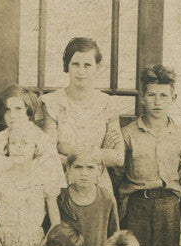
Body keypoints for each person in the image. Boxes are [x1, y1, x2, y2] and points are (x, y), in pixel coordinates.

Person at [120, 65, 181, 246]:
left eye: (163, 95)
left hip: (168, 206)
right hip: (137, 205)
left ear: (173, 97)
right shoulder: (129, 133)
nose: (157, 101)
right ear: (142, 97)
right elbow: (119, 172)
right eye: (151, 95)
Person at [41, 37, 126, 194]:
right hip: (61, 183)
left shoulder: (108, 104)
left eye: (87, 65)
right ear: (67, 66)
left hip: (98, 185)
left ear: (97, 67)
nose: (81, 71)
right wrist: (98, 155)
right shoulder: (53, 102)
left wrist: (66, 149)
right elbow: (47, 154)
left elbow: (118, 157)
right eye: (75, 64)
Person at [0, 126, 62, 246]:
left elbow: (55, 224)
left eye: (25, 143)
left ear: (35, 148)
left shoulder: (44, 179)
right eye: (14, 143)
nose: (19, 148)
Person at [0, 85, 60, 188]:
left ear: (28, 110)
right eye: (7, 109)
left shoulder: (43, 141)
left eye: (18, 108)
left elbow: (53, 181)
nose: (12, 115)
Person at [58, 151, 120, 246]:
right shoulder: (61, 197)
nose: (84, 173)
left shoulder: (106, 198)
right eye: (78, 167)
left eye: (90, 168)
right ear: (68, 169)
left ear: (100, 170)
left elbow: (114, 236)